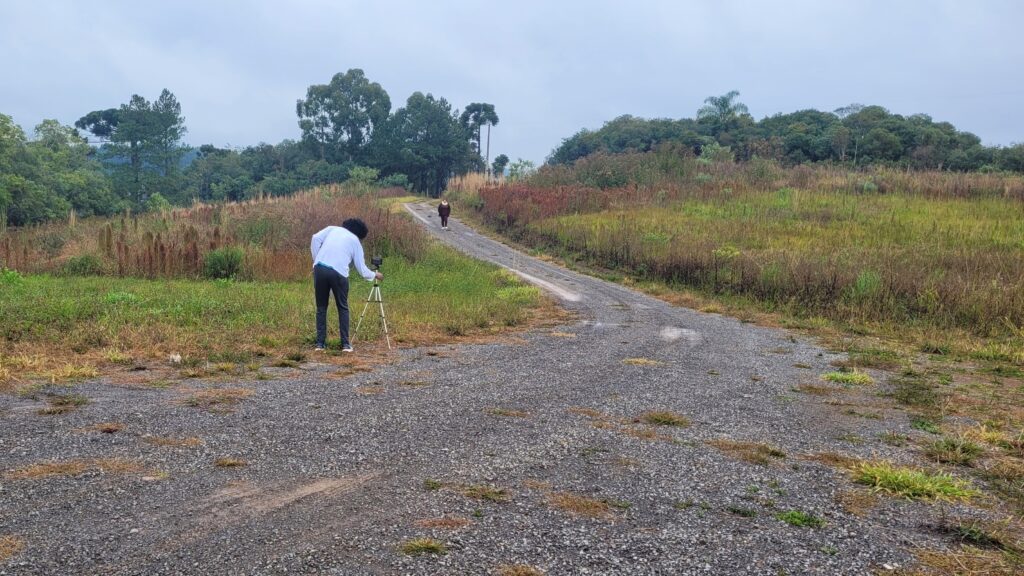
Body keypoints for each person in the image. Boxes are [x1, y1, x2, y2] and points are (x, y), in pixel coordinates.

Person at [309, 218, 382, 352]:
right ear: (359, 234)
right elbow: (361, 268)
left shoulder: (332, 228)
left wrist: (316, 259)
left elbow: (315, 238)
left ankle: (320, 344)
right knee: (342, 307)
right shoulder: (355, 241)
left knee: (321, 308)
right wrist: (375, 275)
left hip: (319, 268)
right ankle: (345, 345)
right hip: (339, 273)